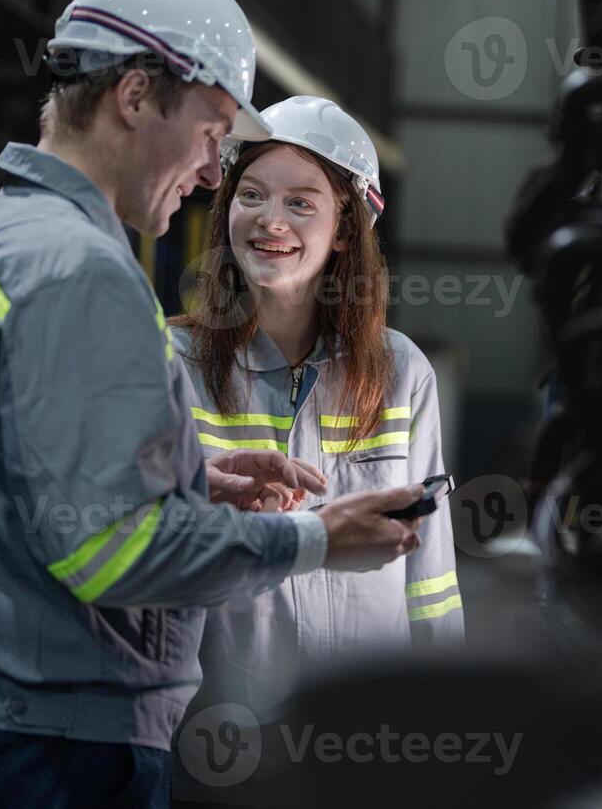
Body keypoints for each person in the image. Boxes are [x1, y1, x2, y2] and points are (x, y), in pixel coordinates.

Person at [0, 0, 426, 808]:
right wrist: (318, 540)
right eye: (214, 133)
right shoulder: (81, 272)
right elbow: (116, 549)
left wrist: (192, 483)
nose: (216, 174)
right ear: (134, 96)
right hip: (55, 748)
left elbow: (9, 475)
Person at [168, 96, 463, 748]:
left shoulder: (400, 373)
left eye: (302, 202)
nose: (271, 222)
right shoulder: (170, 363)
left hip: (365, 736)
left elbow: (432, 579)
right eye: (252, 195)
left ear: (345, 231)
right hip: (220, 737)